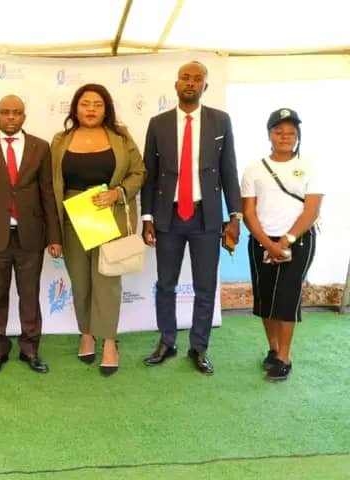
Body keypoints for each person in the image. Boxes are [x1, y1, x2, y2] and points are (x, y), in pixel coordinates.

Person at [140, 61, 241, 375]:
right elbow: (149, 174)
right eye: (185, 77)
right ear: (176, 83)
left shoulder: (220, 121)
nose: (191, 83)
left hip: (205, 216)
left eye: (197, 79)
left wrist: (234, 215)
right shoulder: (158, 124)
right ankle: (167, 342)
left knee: (205, 286)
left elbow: (228, 170)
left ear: (205, 86)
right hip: (168, 216)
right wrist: (147, 217)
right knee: (166, 284)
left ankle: (199, 347)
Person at [50, 84, 146, 376]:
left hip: (110, 216)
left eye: (97, 104)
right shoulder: (61, 140)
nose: (90, 109)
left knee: (107, 281)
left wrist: (118, 192)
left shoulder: (121, 137)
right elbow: (52, 181)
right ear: (75, 108)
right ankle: (87, 333)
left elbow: (139, 172)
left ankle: (109, 342)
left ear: (106, 109)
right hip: (73, 217)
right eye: (85, 104)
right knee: (80, 281)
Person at [0, 95, 62, 375]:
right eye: (5, 112)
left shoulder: (40, 147)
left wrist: (54, 236)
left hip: (30, 235)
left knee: (29, 295)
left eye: (16, 112)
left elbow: (47, 193)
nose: (11, 117)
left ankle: (30, 348)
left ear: (24, 116)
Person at [241, 108, 322, 382]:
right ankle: (274, 349)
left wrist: (286, 241)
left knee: (287, 298)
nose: (285, 137)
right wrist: (268, 243)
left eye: (291, 133)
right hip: (261, 241)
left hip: (298, 242)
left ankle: (285, 357)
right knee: (266, 298)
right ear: (269, 135)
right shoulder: (253, 169)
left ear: (298, 136)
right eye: (279, 132)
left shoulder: (309, 167)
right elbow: (249, 212)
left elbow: (311, 210)